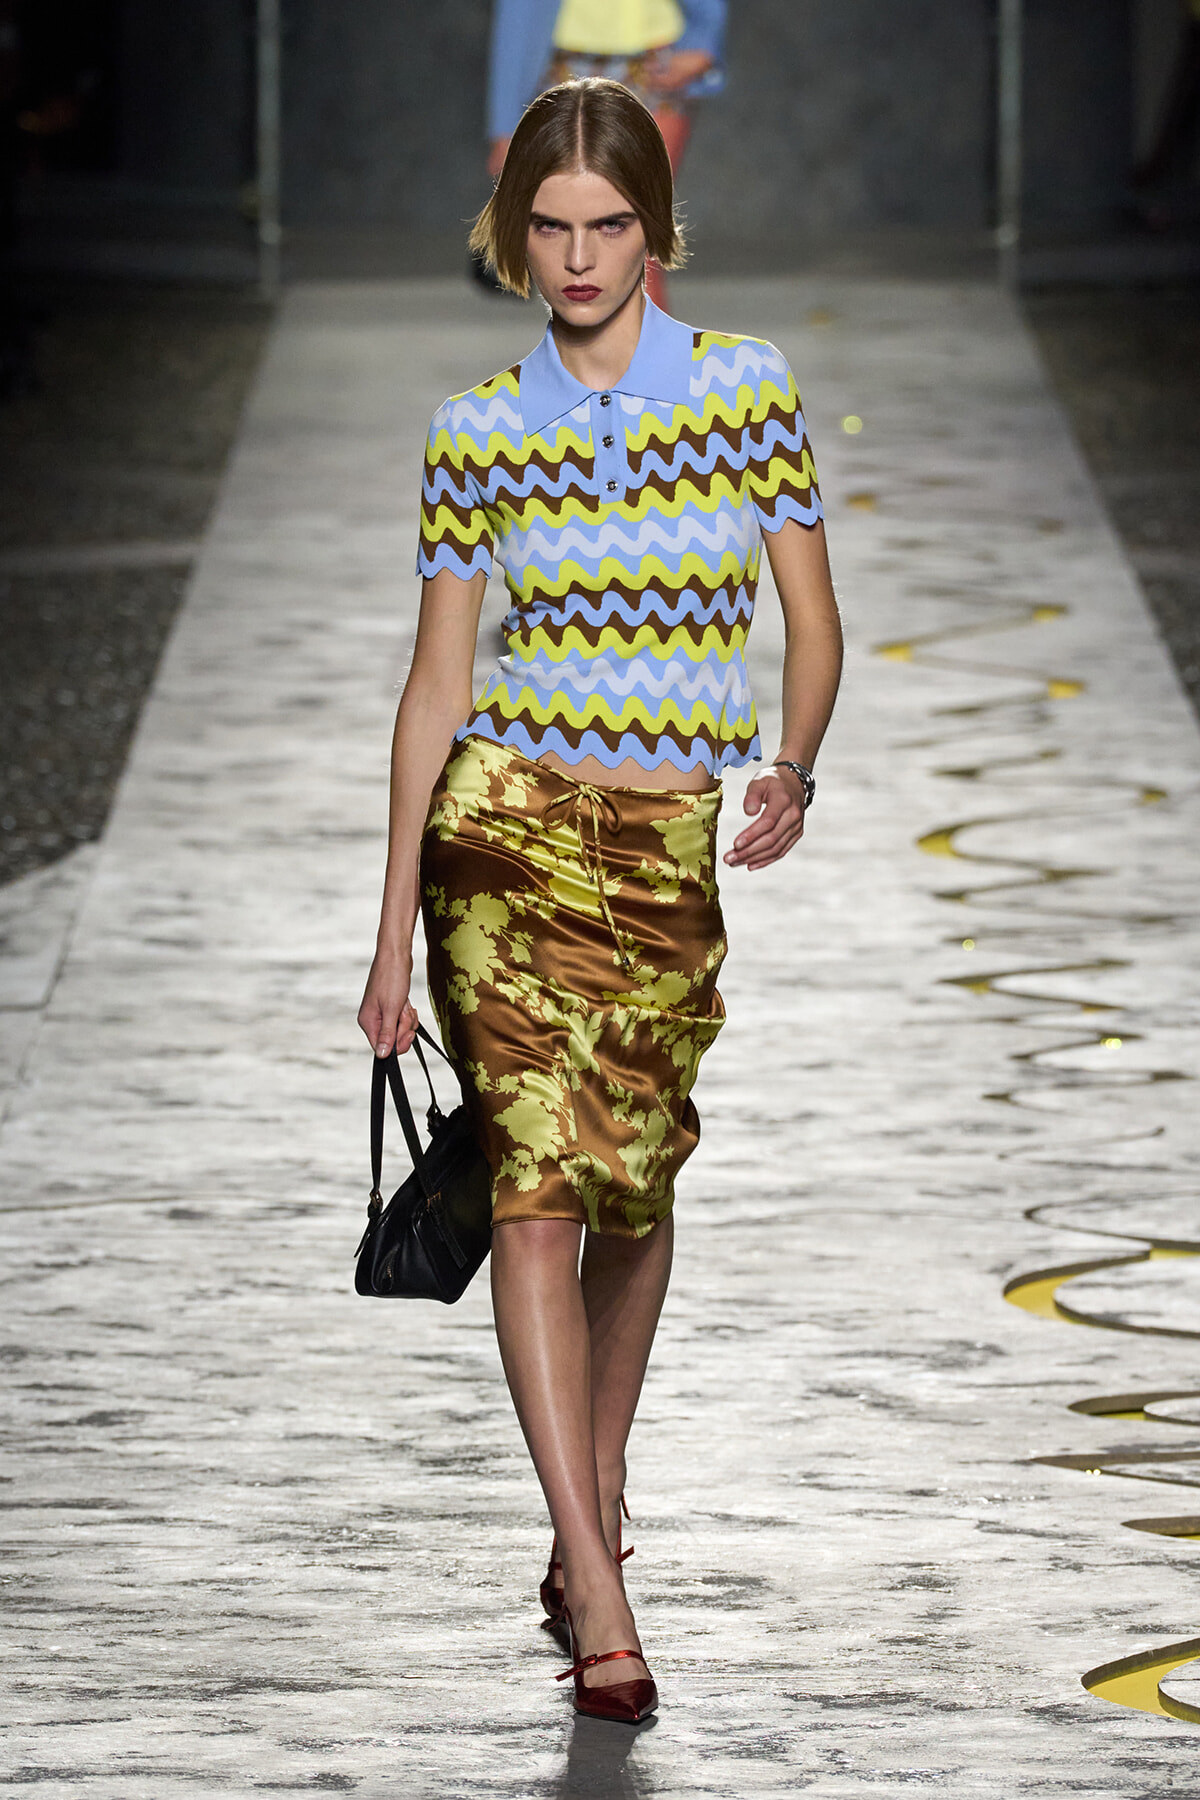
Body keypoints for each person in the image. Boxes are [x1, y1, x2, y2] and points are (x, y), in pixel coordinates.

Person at [357, 77, 842, 1724]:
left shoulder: (751, 393)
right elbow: (435, 687)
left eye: (606, 225)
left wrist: (795, 761)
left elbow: (811, 622)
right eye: (549, 228)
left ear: (654, 224)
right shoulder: (475, 426)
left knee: (632, 1185)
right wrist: (387, 926)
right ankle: (603, 1582)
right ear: (517, 236)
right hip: (504, 836)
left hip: (666, 847)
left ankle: (594, 1510)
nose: (576, 256)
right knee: (536, 1192)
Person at [484, 0, 726, 308]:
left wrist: (703, 38)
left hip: (655, 60)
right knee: (578, 238)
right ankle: (610, 353)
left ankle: (645, 354)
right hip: (563, 64)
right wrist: (505, 126)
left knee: (638, 232)